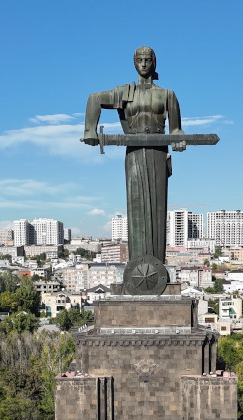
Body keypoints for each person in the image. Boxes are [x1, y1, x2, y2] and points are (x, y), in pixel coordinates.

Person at [83, 46, 185, 292]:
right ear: (134, 63)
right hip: (134, 152)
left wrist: (178, 139)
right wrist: (90, 129)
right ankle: (138, 269)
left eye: (148, 60)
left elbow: (176, 129)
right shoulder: (125, 93)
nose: (144, 63)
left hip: (158, 153)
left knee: (158, 205)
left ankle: (157, 270)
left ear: (154, 62)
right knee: (136, 204)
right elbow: (94, 99)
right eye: (139, 60)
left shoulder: (167, 95)